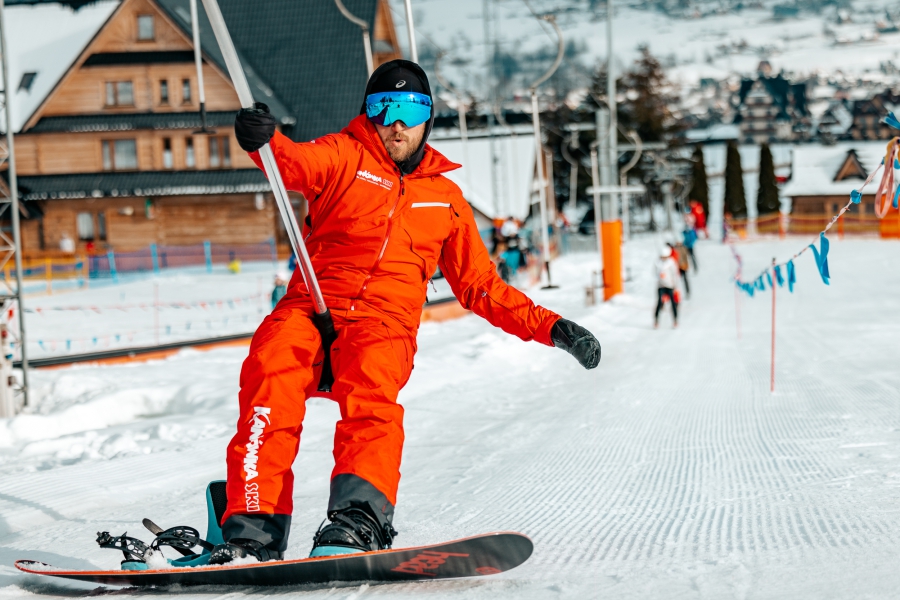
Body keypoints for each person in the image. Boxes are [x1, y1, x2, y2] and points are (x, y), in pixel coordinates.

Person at [211, 60, 601, 565]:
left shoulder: (446, 199)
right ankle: (252, 528)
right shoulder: (343, 155)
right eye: (383, 108)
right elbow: (294, 165)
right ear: (368, 114)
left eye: (410, 109)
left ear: (427, 118)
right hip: (313, 304)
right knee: (270, 373)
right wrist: (264, 140)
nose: (396, 122)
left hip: (382, 323)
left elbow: (481, 286)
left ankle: (358, 520)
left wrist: (553, 327)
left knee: (373, 394)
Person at [654, 245, 680, 328]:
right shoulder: (657, 263)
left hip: (670, 286)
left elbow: (674, 275)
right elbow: (654, 273)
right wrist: (659, 276)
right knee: (659, 302)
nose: (663, 258)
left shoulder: (671, 263)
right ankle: (656, 320)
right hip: (661, 286)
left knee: (673, 303)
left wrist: (675, 286)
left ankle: (675, 320)